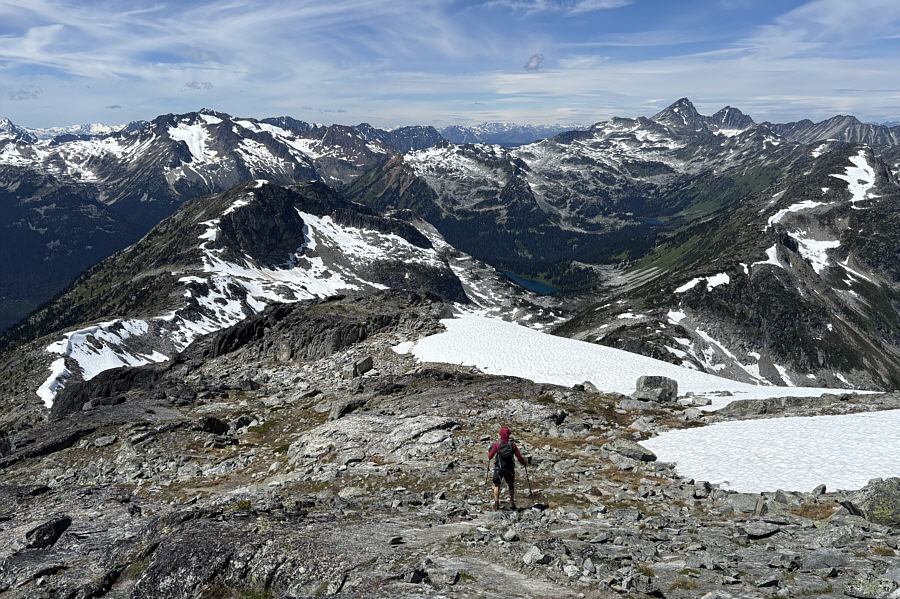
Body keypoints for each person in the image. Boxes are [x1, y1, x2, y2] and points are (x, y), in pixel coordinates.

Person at [487, 426, 526, 510]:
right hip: (509, 468)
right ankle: (512, 502)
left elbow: (490, 456)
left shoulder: (497, 444)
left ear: (501, 434)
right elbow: (519, 456)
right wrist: (524, 463)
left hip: (499, 468)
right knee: (510, 484)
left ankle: (496, 503)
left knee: (497, 485)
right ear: (508, 434)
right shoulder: (512, 445)